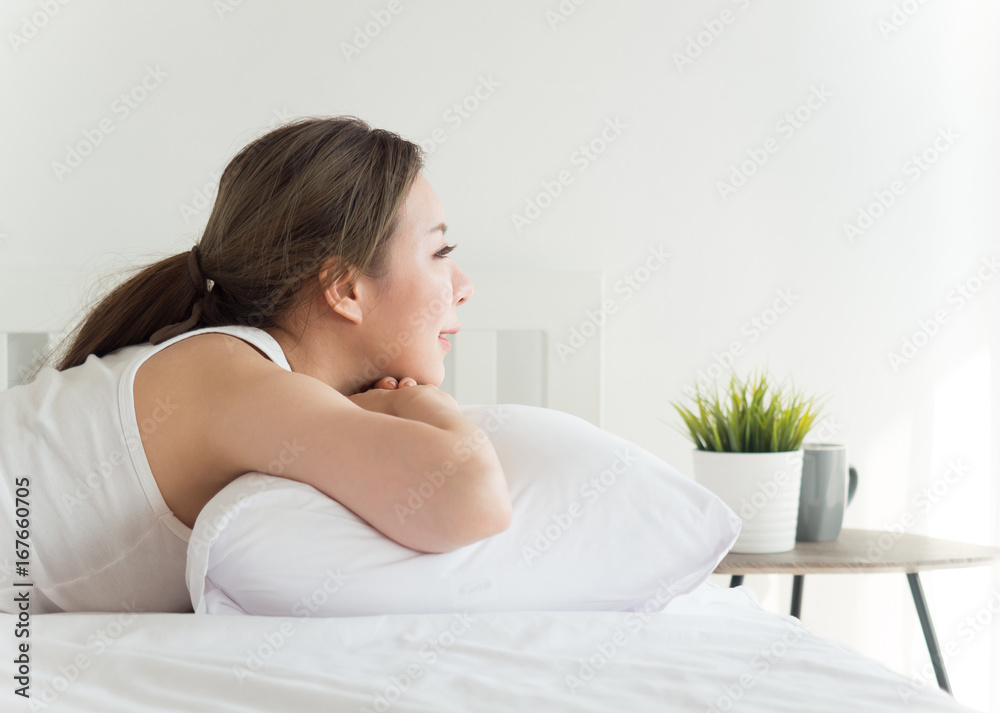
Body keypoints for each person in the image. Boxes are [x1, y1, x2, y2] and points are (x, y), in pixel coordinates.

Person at [0, 116, 511, 615]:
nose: (465, 287)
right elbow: (475, 499)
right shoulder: (240, 383)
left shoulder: (235, 374)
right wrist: (418, 402)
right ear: (346, 288)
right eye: (440, 251)